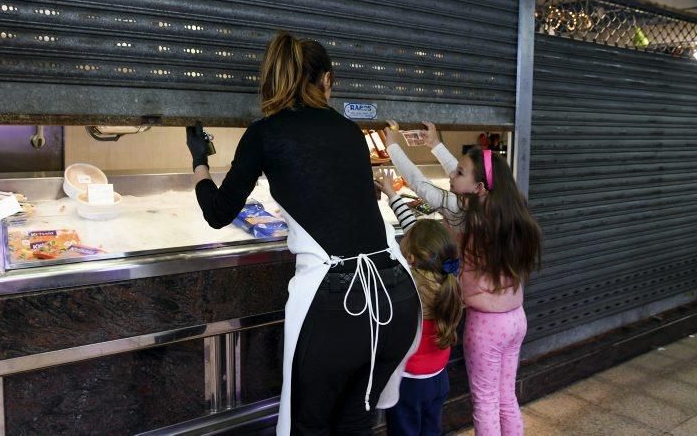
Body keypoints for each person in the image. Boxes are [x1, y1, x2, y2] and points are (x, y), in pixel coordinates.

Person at [185, 32, 421, 435]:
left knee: (309, 428)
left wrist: (200, 162)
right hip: (396, 294)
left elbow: (219, 213)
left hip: (336, 305)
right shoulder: (351, 130)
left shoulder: (265, 132)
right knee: (354, 424)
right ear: (325, 80)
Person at [383, 121, 541, 436]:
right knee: (506, 397)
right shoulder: (505, 212)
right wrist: (435, 145)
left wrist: (393, 147)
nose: (453, 175)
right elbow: (467, 175)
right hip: (515, 318)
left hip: (487, 326)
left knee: (484, 402)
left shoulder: (465, 214)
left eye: (459, 173)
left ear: (478, 187)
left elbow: (420, 184)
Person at [375, 170, 464, 436]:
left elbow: (387, 240)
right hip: (438, 379)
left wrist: (372, 202)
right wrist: (393, 195)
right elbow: (419, 234)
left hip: (409, 384)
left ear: (411, 258)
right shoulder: (448, 277)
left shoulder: (408, 288)